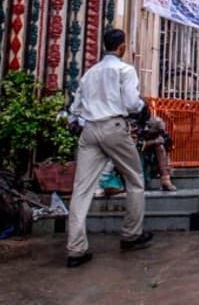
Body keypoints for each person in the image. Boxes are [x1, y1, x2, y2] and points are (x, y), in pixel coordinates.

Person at [65, 27, 153, 268]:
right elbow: (132, 103)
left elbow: (75, 109)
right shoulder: (125, 70)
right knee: (134, 179)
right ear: (121, 46)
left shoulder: (89, 74)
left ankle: (75, 249)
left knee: (81, 189)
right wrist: (142, 108)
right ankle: (131, 234)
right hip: (114, 127)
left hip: (90, 130)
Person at [138, 117, 176, 192]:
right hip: (138, 157)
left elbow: (169, 147)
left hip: (153, 160)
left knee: (160, 148)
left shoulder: (163, 134)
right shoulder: (140, 131)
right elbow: (136, 146)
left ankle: (166, 180)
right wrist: (154, 141)